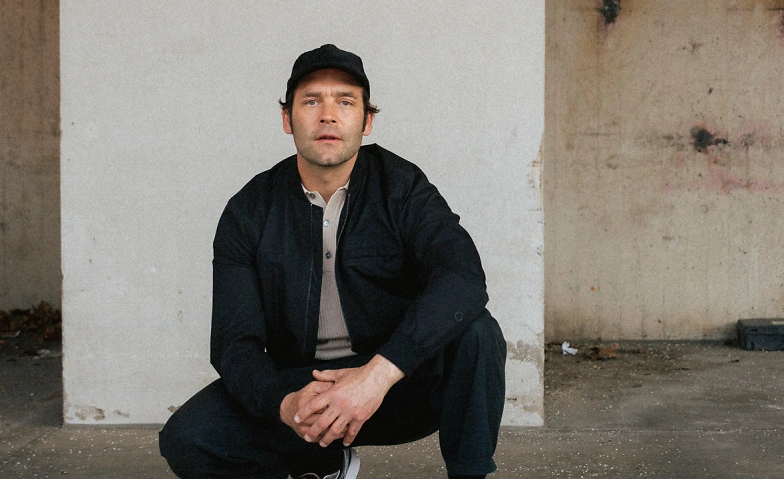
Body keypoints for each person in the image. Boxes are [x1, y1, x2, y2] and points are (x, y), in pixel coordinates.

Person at [159, 44, 507, 479]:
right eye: (311, 101)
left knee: (477, 332)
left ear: (367, 121)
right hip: (306, 390)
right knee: (188, 438)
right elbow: (234, 344)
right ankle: (320, 460)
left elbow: (463, 279)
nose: (328, 115)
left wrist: (375, 377)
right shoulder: (249, 210)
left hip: (395, 384)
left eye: (345, 102)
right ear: (287, 120)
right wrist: (285, 403)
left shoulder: (402, 188)